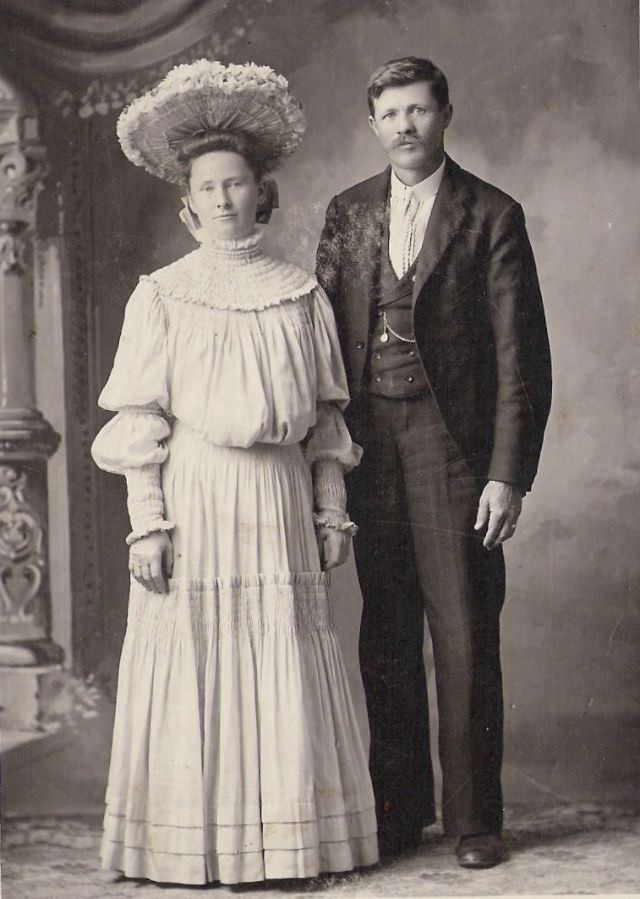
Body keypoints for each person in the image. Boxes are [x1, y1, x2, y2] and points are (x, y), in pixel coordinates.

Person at [91, 59, 378, 886]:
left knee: (282, 650)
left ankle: (288, 845)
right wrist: (147, 522)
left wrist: (331, 512)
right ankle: (194, 845)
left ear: (263, 193)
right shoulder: (163, 294)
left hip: (278, 493)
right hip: (198, 490)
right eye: (207, 188)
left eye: (236, 184)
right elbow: (139, 419)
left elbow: (326, 421)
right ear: (186, 206)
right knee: (199, 651)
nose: (223, 199)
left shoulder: (299, 296)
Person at [316, 56, 552, 868]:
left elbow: (523, 357)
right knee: (384, 631)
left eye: (420, 110)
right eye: (391, 113)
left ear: (446, 115)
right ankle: (398, 809)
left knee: (463, 631)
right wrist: (324, 454)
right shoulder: (347, 214)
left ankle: (475, 818)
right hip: (368, 448)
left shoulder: (491, 214)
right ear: (374, 124)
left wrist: (506, 472)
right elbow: (320, 348)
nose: (405, 126)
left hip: (454, 451)